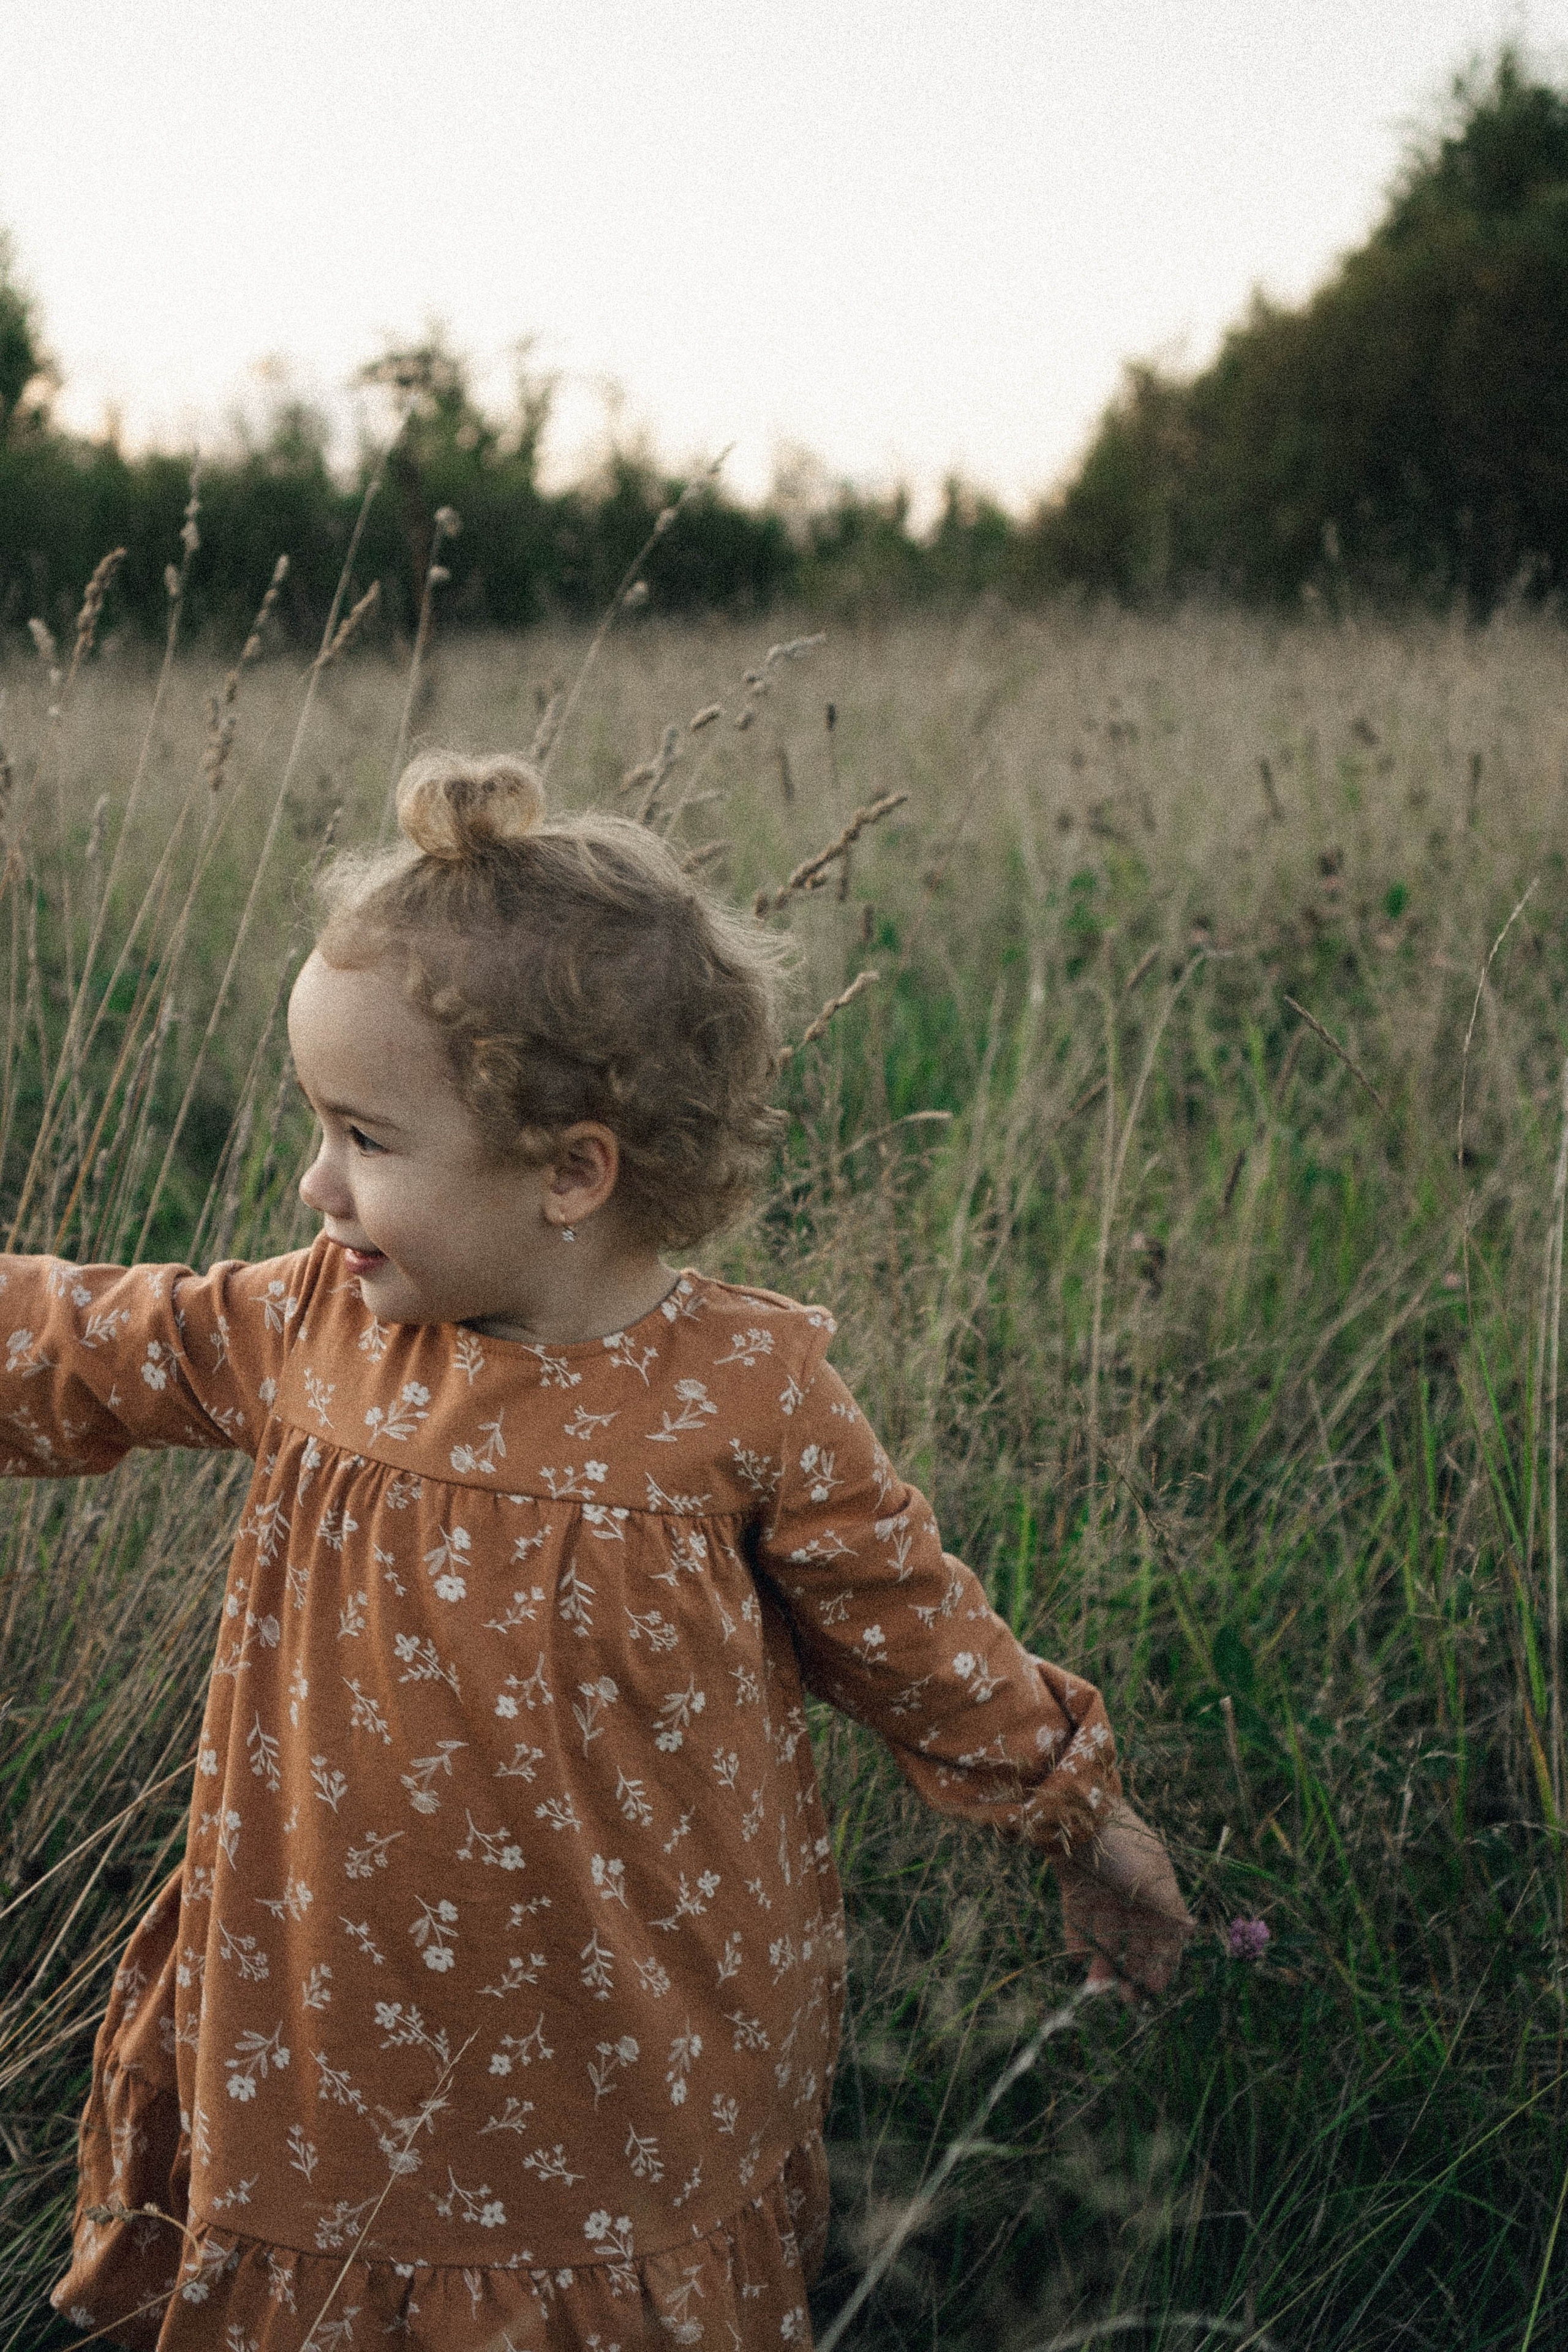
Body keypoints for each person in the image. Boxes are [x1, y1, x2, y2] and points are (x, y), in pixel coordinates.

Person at [18, 752, 1191, 2351]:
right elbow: (82, 1343)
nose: (315, 1185)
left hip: (629, 2061)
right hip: (335, 2037)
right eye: (318, 1128)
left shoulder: (746, 1395)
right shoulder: (311, 1324)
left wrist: (1081, 1811)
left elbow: (916, 1632)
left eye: (365, 1137)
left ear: (573, 1170)